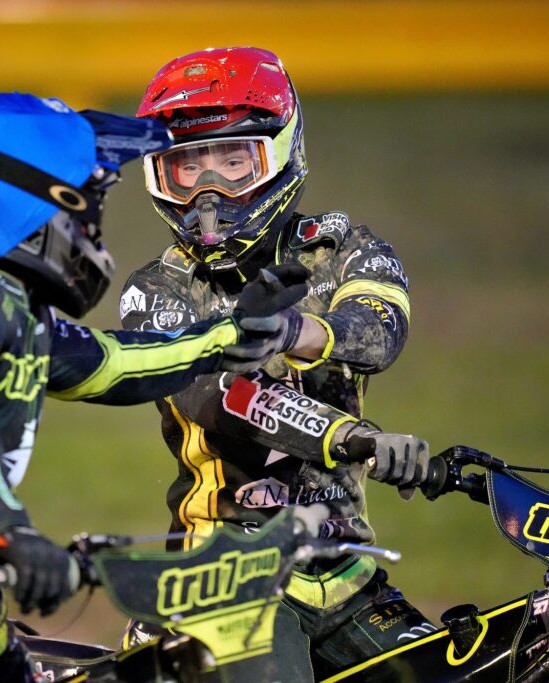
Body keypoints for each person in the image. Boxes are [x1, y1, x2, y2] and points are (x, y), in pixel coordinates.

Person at [0, 92, 312, 682]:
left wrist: (231, 334)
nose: (93, 226)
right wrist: (15, 536)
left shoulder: (3, 303)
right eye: (88, 203)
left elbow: (111, 363)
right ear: (33, 203)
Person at [119, 47, 434, 680]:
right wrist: (354, 438)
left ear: (282, 154)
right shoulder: (154, 291)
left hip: (344, 569)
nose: (208, 192)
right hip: (224, 571)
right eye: (187, 168)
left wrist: (295, 331)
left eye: (233, 162)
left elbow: (380, 332)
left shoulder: (343, 249)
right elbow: (223, 400)